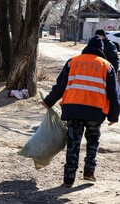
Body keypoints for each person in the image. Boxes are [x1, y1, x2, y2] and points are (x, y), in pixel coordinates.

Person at [41, 35, 120, 188]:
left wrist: (48, 101)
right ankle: (89, 172)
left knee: (73, 144)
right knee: (92, 142)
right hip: (96, 113)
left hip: (73, 111)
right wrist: (113, 116)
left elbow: (60, 86)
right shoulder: (107, 66)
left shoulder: (72, 62)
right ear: (101, 50)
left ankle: (69, 178)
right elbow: (114, 94)